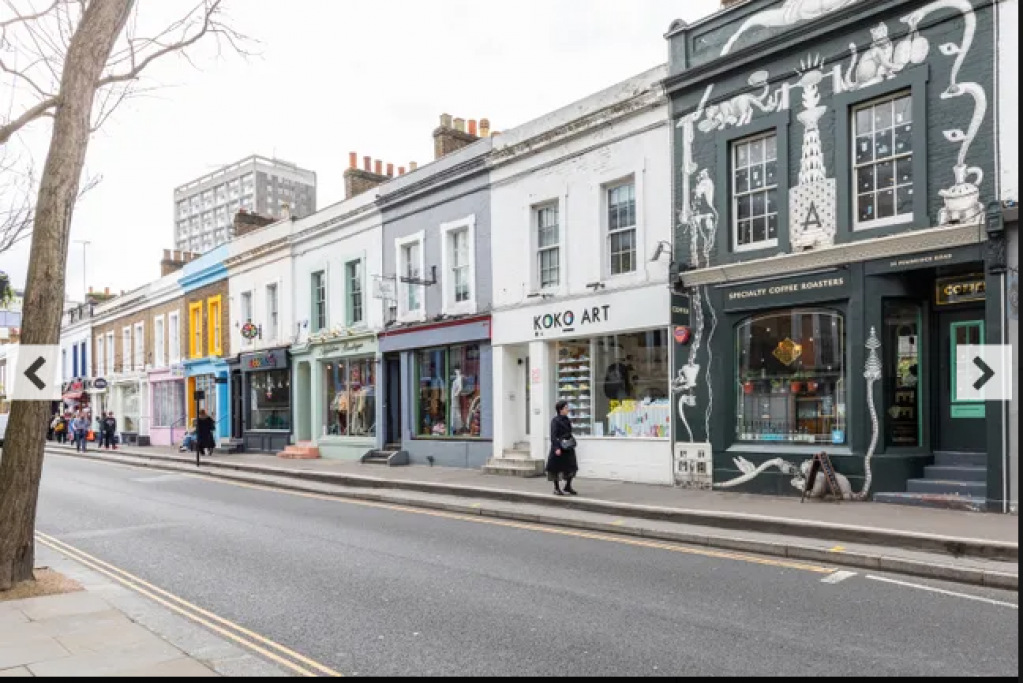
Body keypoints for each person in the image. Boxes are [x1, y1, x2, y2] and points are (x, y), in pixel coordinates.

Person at [546, 400, 579, 496]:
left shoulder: (567, 419)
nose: (567, 409)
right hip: (559, 447)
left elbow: (569, 431)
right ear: (560, 409)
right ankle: (556, 488)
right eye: (565, 408)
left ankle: (568, 486)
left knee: (572, 467)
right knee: (556, 468)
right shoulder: (555, 421)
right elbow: (553, 435)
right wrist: (556, 448)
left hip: (568, 446)